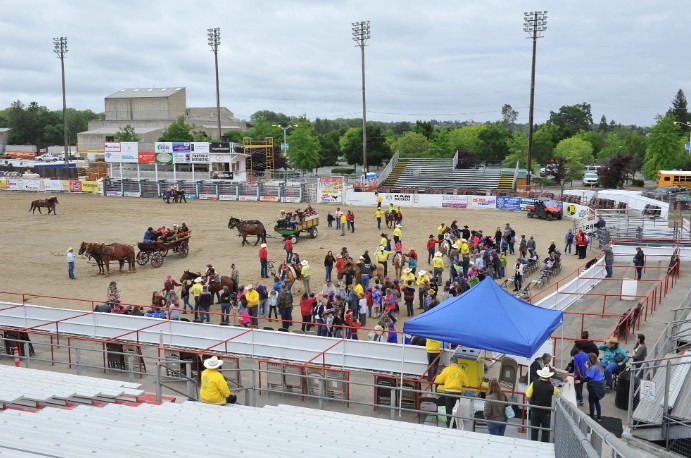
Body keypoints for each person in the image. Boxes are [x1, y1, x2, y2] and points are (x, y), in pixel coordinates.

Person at [434, 354, 469, 428]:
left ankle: (449, 424)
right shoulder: (461, 370)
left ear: (450, 362)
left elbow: (438, 380)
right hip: (457, 393)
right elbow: (467, 384)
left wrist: (437, 377)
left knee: (449, 408)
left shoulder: (446, 369)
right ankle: (455, 424)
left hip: (448, 392)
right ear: (457, 363)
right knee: (456, 409)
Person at [526, 366, 560, 442]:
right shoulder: (551, 387)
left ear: (541, 375)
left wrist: (531, 403)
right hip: (546, 412)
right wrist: (551, 383)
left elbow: (528, 396)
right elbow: (557, 393)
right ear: (549, 376)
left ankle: (533, 444)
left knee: (534, 431)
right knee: (546, 432)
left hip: (535, 410)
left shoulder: (534, 384)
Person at [575, 353, 605, 421]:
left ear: (590, 359)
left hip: (594, 387)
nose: (587, 360)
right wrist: (588, 367)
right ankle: (599, 416)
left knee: (591, 402)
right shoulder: (599, 365)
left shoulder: (594, 368)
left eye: (588, 359)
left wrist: (580, 381)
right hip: (600, 386)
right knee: (597, 401)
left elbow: (588, 377)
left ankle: (591, 417)